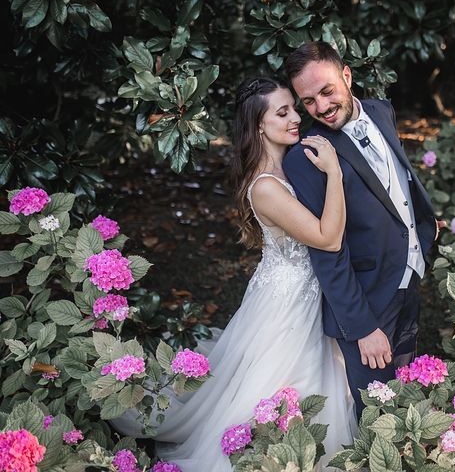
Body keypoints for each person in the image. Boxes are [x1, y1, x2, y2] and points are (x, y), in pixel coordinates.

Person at [112, 77, 356, 471]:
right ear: (259, 124)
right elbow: (327, 238)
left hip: (302, 289)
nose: (297, 117)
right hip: (289, 298)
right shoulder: (265, 187)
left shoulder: (289, 165)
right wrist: (336, 175)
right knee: (282, 379)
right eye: (283, 112)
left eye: (294, 108)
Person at [283, 42, 445, 418]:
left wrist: (421, 223)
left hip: (407, 276)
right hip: (367, 302)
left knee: (406, 390)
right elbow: (326, 253)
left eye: (326, 91)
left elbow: (397, 176)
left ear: (347, 76)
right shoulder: (306, 157)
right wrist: (361, 328)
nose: (321, 107)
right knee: (377, 413)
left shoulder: (380, 111)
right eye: (307, 101)